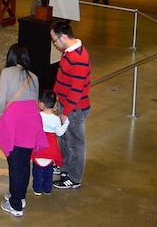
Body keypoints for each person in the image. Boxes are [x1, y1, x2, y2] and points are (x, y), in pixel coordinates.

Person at [0, 44, 48, 217]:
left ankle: (15, 205)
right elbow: (34, 102)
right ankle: (20, 196)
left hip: (14, 122)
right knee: (24, 163)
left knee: (15, 165)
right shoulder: (34, 76)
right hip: (31, 122)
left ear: (11, 57)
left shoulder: (6, 73)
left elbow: (1, 101)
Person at [49, 21, 91, 190]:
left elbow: (76, 90)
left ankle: (74, 177)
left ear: (64, 37)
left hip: (75, 109)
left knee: (76, 144)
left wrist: (65, 113)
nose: (55, 44)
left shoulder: (79, 59)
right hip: (65, 105)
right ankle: (65, 167)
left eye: (55, 40)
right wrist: (55, 99)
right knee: (65, 140)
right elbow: (61, 78)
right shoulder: (68, 52)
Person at [31, 90, 69, 195]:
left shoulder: (37, 116)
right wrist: (65, 123)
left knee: (37, 171)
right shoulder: (56, 119)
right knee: (48, 171)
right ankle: (47, 189)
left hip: (38, 147)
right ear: (54, 105)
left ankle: (37, 189)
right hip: (51, 148)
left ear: (42, 103)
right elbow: (60, 133)